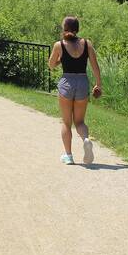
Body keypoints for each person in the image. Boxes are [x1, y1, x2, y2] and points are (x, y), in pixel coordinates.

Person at [48, 16, 102, 165]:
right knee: (80, 122)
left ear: (64, 29)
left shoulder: (59, 45)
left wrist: (61, 60)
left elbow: (51, 65)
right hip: (82, 83)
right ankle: (85, 139)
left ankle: (69, 156)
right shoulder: (87, 43)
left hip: (67, 83)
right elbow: (95, 66)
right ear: (77, 29)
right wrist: (98, 84)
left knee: (66, 123)